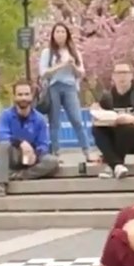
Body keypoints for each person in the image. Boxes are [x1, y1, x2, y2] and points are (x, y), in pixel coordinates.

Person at [90, 64, 134, 179]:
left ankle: (113, 165)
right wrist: (97, 113)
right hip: (115, 138)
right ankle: (117, 166)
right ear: (113, 77)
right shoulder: (107, 97)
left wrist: (131, 119)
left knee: (125, 128)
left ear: (131, 76)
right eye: (118, 73)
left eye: (125, 73)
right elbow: (98, 121)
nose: (122, 77)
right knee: (96, 129)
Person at [38, 22, 91, 163]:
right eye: (57, 32)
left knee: (77, 120)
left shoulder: (74, 52)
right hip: (54, 87)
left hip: (70, 87)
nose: (60, 34)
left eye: (62, 31)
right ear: (53, 35)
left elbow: (81, 73)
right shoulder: (47, 53)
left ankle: (86, 151)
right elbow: (43, 73)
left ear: (67, 34)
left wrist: (72, 65)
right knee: (54, 121)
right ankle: (56, 152)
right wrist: (60, 65)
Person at [0, 81, 58, 196]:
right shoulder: (6, 115)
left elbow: (44, 144)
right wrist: (20, 143)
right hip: (13, 154)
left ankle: (20, 175)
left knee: (52, 161)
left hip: (31, 158)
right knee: (2, 145)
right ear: (14, 96)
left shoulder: (40, 119)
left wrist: (35, 154)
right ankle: (1, 185)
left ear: (31, 96)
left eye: (26, 94)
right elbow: (1, 135)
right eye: (20, 94)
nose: (23, 97)